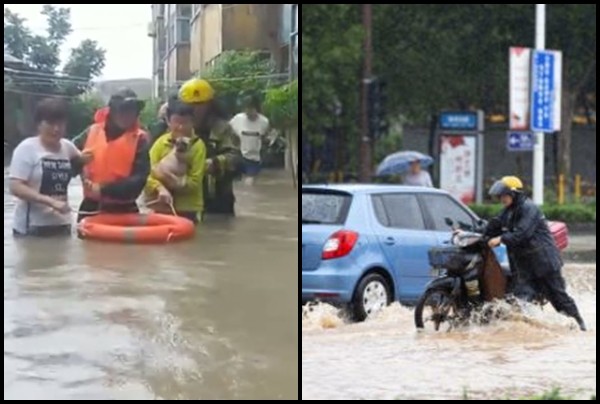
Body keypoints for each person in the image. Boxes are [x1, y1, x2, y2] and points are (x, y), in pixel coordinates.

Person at [484, 176, 587, 331]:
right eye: (500, 196)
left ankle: (580, 326)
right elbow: (491, 227)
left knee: (559, 299)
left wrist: (500, 239)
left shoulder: (529, 209)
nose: (501, 199)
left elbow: (522, 234)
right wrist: (470, 232)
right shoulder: (507, 212)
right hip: (525, 267)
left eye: (504, 195)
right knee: (520, 301)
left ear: (514, 194)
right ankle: (529, 333)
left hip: (544, 263)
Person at [8, 98, 92, 236]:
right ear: (39, 124)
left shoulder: (67, 146)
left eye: (61, 124)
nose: (56, 129)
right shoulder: (26, 148)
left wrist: (86, 177)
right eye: (50, 123)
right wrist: (50, 202)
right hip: (31, 227)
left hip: (62, 223)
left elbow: (81, 160)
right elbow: (15, 186)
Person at [72, 88, 150, 222]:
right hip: (91, 208)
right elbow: (65, 164)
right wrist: (78, 162)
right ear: (112, 112)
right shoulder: (90, 132)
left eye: (132, 110)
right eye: (123, 110)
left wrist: (103, 189)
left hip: (125, 209)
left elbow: (138, 181)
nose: (128, 115)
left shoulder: (140, 139)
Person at [178, 78, 242, 216]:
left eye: (201, 104)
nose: (196, 109)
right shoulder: (174, 129)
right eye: (191, 105)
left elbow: (237, 158)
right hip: (183, 201)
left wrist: (214, 163)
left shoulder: (222, 128)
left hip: (217, 201)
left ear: (209, 105)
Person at [145, 97, 206, 224]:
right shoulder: (161, 143)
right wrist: (160, 188)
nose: (181, 127)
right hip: (161, 206)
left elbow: (195, 182)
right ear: (168, 122)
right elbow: (146, 174)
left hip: (188, 208)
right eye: (177, 122)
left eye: (186, 123)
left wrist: (169, 180)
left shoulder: (198, 146)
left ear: (193, 122)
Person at [230, 94, 270, 185]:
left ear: (257, 109)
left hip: (254, 158)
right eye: (246, 109)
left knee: (250, 182)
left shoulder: (264, 122)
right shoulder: (237, 119)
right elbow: (228, 130)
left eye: (251, 109)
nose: (248, 112)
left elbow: (265, 137)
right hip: (239, 156)